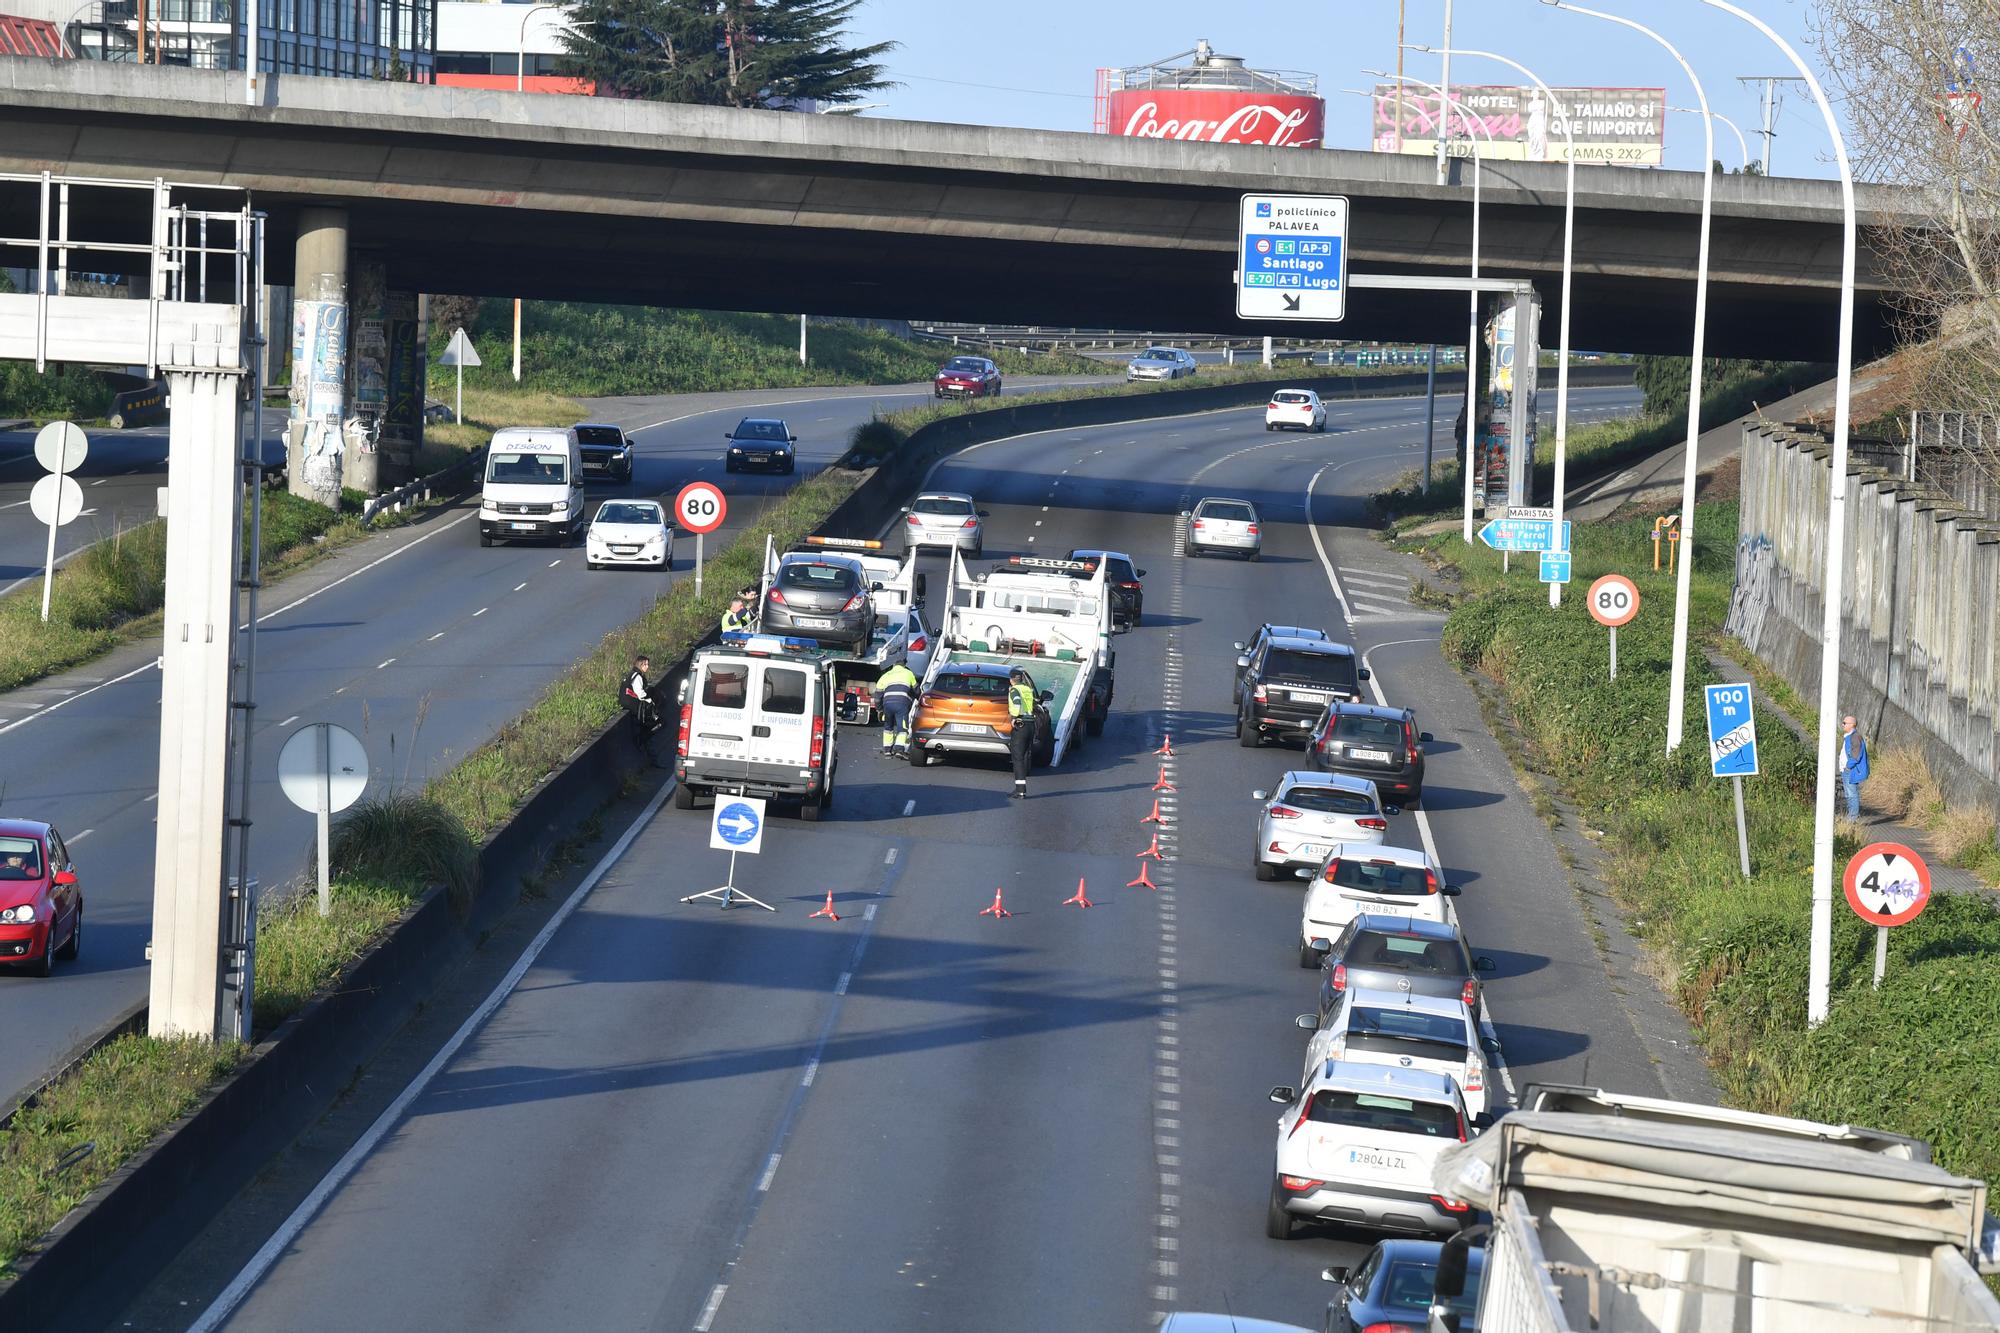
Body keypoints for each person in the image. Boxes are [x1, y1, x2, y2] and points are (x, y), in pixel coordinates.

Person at [620, 654, 663, 763]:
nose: (647, 667)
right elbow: (641, 694)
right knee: (658, 722)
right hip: (633, 704)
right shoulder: (637, 676)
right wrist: (651, 701)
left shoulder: (632, 674)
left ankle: (645, 737)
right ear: (640, 665)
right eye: (646, 664)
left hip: (627, 702)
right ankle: (643, 738)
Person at [1006, 667, 1038, 800]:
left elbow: (1017, 702)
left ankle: (1020, 791)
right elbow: (1034, 702)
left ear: (1011, 680)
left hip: (1021, 725)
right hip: (1031, 725)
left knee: (1017, 758)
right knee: (1024, 756)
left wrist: (1014, 717)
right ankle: (1020, 789)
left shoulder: (1014, 690)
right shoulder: (1027, 689)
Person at [874, 661, 919, 757]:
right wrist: (920, 699)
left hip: (887, 704)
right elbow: (916, 690)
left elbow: (878, 695)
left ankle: (887, 750)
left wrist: (879, 709)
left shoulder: (886, 675)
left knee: (888, 727)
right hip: (902, 704)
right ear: (904, 665)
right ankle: (899, 749)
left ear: (893, 665)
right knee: (902, 728)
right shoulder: (908, 673)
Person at [1840, 715, 1870, 821]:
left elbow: (1856, 755)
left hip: (1850, 770)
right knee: (1849, 794)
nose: (1842, 724)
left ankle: (1853, 818)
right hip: (1846, 770)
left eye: (1845, 723)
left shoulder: (1855, 737)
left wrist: (1848, 766)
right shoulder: (1848, 736)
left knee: (1852, 794)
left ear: (1852, 725)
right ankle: (1851, 816)